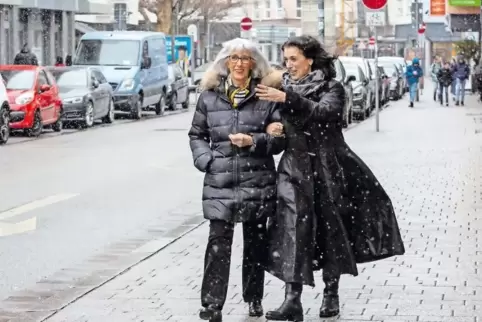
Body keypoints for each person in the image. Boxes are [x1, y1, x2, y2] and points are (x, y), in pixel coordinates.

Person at [254, 35, 405, 321]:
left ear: (310, 60)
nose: (289, 65)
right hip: (293, 170)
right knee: (293, 231)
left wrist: (289, 98)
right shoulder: (282, 89)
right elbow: (277, 138)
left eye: (294, 59)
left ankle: (331, 293)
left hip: (327, 166)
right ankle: (292, 300)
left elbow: (326, 113)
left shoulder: (331, 87)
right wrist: (272, 132)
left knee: (330, 229)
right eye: (286, 59)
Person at [188, 38, 284, 322]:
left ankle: (254, 298)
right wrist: (206, 160)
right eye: (234, 58)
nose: (239, 64)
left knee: (255, 242)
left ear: (254, 64)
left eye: (245, 58)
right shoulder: (209, 96)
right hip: (220, 180)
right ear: (225, 63)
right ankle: (211, 304)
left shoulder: (266, 96)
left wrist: (253, 140)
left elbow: (279, 140)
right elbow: (197, 135)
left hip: (257, 180)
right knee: (218, 242)